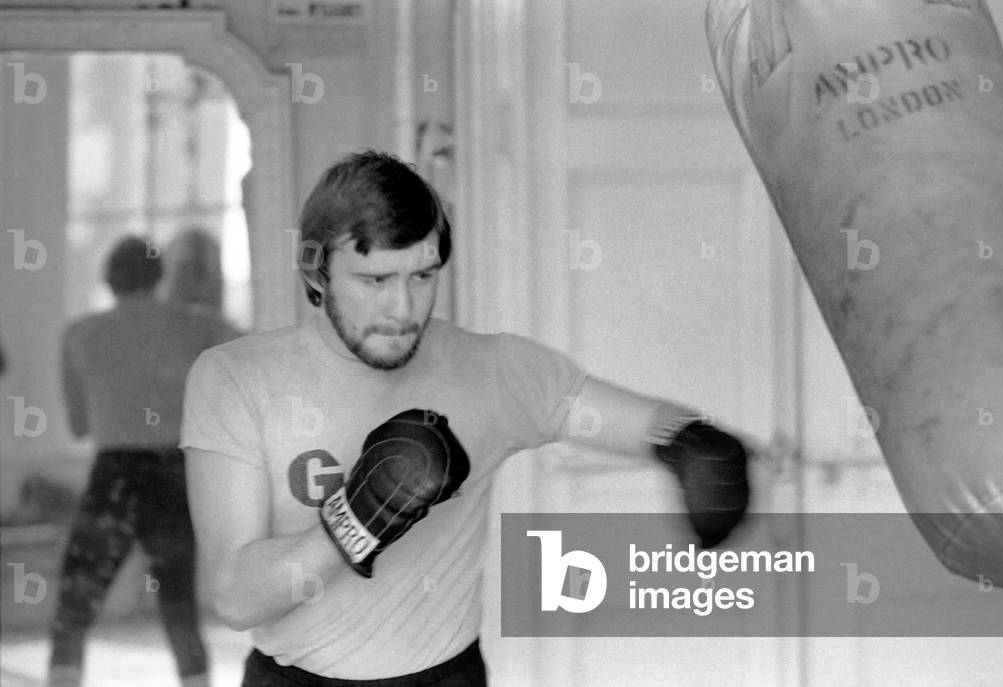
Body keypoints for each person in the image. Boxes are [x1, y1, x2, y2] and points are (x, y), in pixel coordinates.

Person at [182, 151, 751, 687]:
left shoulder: (492, 370)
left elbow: (640, 423)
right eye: (374, 280)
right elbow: (234, 598)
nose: (402, 309)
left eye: (422, 276)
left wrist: (696, 447)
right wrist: (358, 517)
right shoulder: (236, 379)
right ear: (315, 269)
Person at [49, 235, 241, 687]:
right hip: (171, 474)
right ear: (160, 276)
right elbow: (252, 356)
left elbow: (78, 425)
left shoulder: (79, 334)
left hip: (113, 472)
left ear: (108, 278)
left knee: (74, 606)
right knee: (178, 605)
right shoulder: (197, 326)